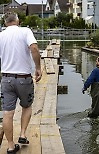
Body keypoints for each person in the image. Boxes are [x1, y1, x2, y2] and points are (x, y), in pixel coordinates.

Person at [0, 12, 42, 154]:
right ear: (18, 21)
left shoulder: (1, 35)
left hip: (6, 78)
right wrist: (38, 68)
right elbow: (34, 48)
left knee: (7, 113)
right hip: (24, 78)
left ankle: (11, 146)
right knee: (27, 106)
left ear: (5, 23)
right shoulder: (25, 31)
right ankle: (23, 134)